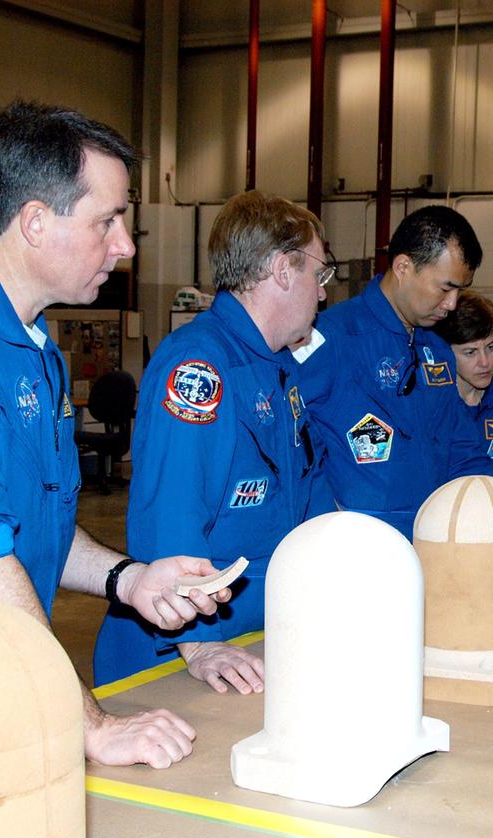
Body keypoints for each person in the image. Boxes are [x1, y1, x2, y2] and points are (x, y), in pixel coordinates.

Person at [0, 100, 230, 768]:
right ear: (34, 222)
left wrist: (129, 578)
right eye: (108, 220)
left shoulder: (30, 347)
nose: (126, 245)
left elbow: (31, 529)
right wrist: (87, 722)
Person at [93, 192, 332, 692]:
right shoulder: (200, 367)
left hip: (251, 640)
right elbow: (169, 519)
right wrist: (198, 643)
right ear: (282, 270)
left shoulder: (275, 367)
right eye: (319, 274)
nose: (324, 293)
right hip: (182, 655)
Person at [296, 205, 488, 539]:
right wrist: (327, 522)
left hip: (433, 540)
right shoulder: (330, 341)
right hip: (356, 547)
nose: (453, 303)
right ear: (403, 267)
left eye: (461, 290)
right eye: (445, 288)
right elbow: (292, 448)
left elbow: (462, 447)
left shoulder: (438, 352)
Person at [433, 290, 493, 477]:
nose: (485, 362)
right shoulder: (433, 403)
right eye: (471, 352)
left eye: (491, 348)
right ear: (445, 352)